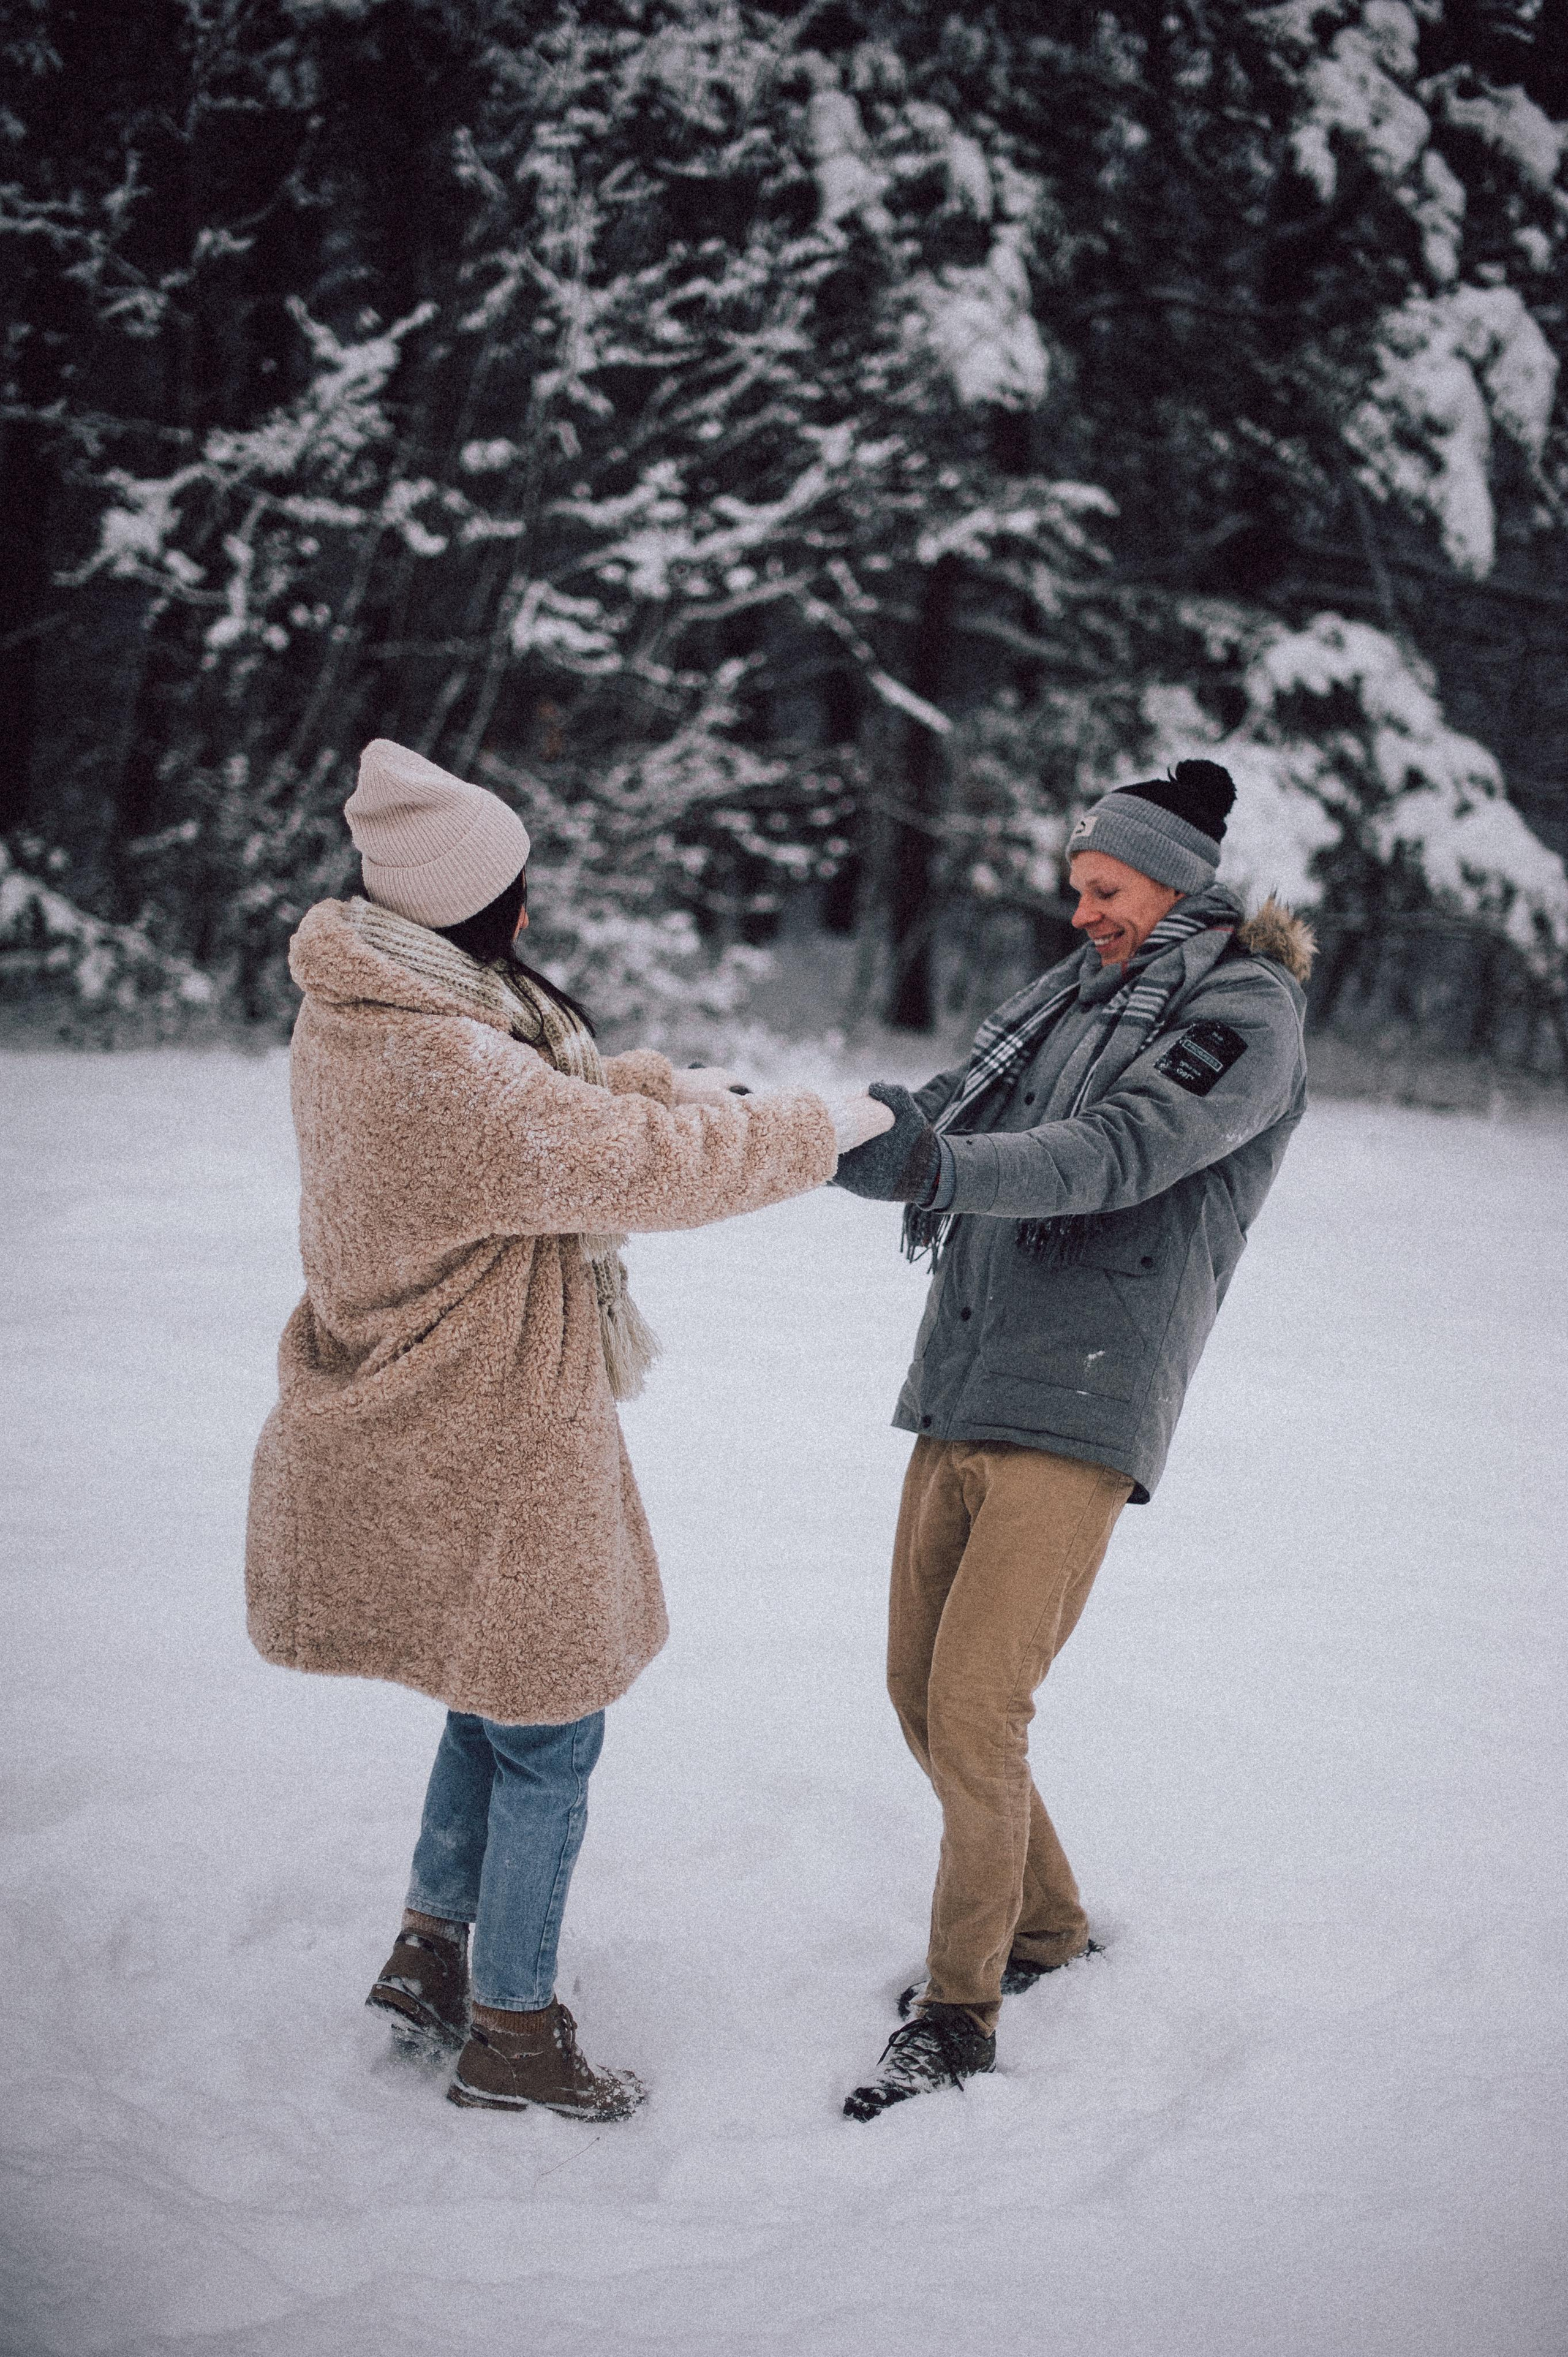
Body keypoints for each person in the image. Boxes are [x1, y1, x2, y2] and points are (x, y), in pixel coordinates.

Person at [244, 738, 891, 2121]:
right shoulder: (443, 1068)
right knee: (550, 1726)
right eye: (511, 894)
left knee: (492, 1690)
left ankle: (429, 1949)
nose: (528, 913)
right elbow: (631, 1166)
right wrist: (819, 1128)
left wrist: (666, 1080)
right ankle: (514, 2034)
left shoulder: (365, 1012)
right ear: (464, 907)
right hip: (487, 1432)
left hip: (434, 1417)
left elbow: (550, 1107)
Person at [831, 759, 1315, 2121]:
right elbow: (954, 1105)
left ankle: (959, 2014)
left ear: (1173, 883)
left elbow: (1115, 1152)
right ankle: (1042, 1926)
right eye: (1076, 888)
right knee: (918, 1691)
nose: (1081, 913)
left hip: (1083, 1394)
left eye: (1104, 889)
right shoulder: (1071, 1000)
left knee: (977, 1709)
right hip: (968, 1373)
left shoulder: (1242, 1013)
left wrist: (935, 1167)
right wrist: (817, 1131)